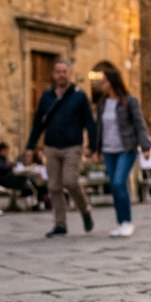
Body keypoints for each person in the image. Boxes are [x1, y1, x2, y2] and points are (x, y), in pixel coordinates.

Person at [26, 58, 96, 237]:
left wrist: (92, 146)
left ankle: (85, 210)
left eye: (64, 71)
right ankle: (60, 224)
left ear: (69, 74)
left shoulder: (79, 96)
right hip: (51, 146)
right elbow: (38, 123)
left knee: (70, 181)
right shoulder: (47, 96)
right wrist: (30, 146)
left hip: (73, 146)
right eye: (58, 72)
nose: (61, 75)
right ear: (53, 75)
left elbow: (90, 122)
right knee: (54, 186)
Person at [94, 64, 151, 237]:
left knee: (119, 182)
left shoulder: (129, 101)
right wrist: (96, 150)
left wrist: (146, 146)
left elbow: (139, 125)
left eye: (103, 81)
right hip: (108, 150)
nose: (101, 84)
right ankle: (120, 223)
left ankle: (127, 222)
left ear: (112, 82)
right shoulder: (102, 103)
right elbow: (99, 128)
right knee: (114, 186)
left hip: (126, 149)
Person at [0, 143, 35, 209]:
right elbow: (2, 168)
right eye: (6, 151)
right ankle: (25, 192)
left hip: (5, 178)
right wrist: (10, 166)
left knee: (23, 178)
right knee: (22, 180)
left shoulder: (2, 158)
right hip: (2, 179)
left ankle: (23, 195)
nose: (7, 153)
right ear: (2, 150)